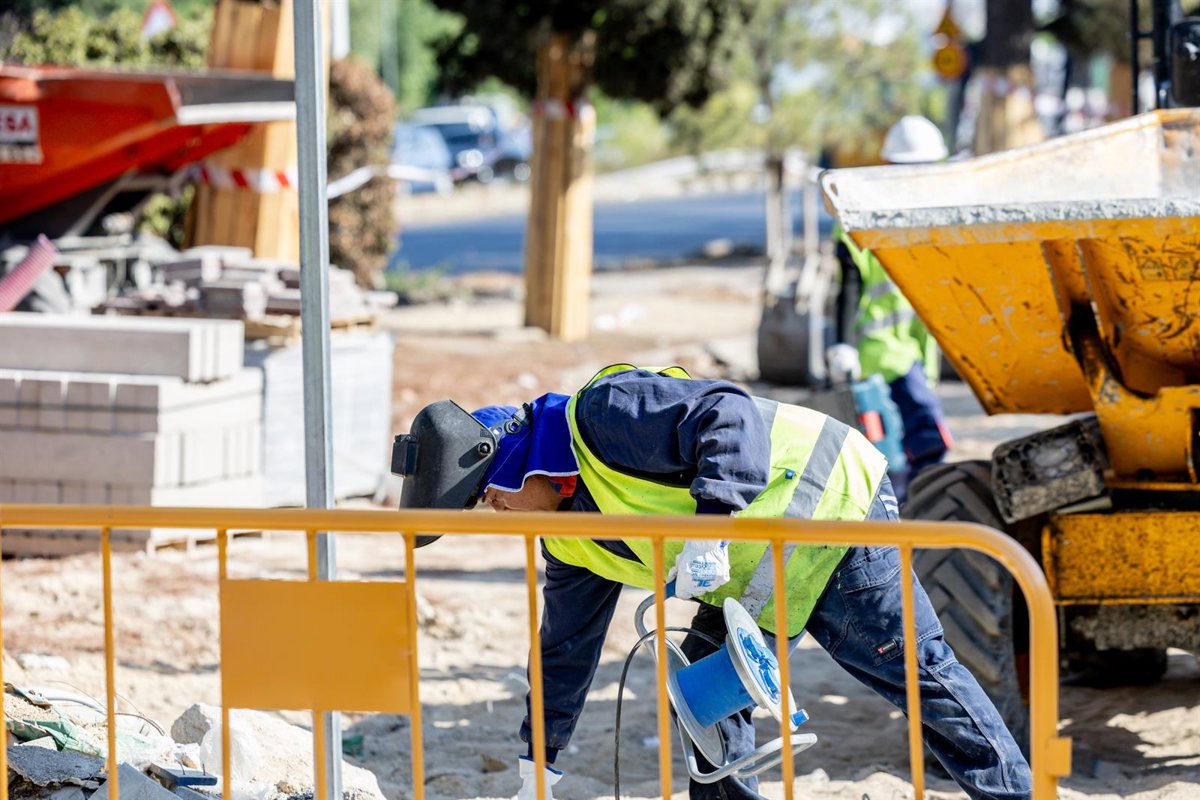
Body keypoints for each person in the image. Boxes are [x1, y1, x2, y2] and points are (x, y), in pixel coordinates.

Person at [393, 364, 1031, 800]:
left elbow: (729, 413)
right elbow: (565, 647)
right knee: (705, 697)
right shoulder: (564, 537)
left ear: (514, 463)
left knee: (915, 673)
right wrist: (540, 761)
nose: (494, 510)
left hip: (833, 508)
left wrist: (711, 525)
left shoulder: (604, 414)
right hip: (758, 572)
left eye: (490, 495)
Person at [831, 114, 954, 502]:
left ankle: (912, 510)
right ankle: (907, 514)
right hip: (878, 351)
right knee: (907, 443)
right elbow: (849, 285)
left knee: (908, 445)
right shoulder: (861, 218)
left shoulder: (931, 216)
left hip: (911, 350)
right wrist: (842, 343)